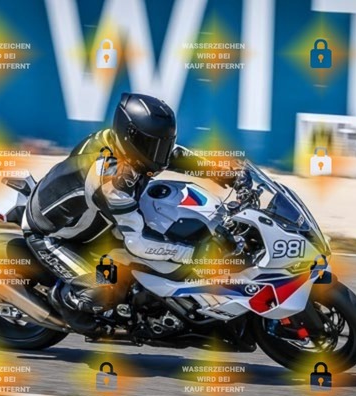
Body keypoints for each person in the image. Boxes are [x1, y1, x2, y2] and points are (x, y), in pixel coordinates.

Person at [24, 93, 242, 333]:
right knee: (102, 290)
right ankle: (64, 300)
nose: (159, 153)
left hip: (95, 222)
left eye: (163, 144)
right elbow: (137, 243)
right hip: (55, 236)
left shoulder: (120, 143)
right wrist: (194, 253)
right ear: (131, 137)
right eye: (152, 146)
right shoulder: (112, 179)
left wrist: (222, 172)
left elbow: (174, 156)